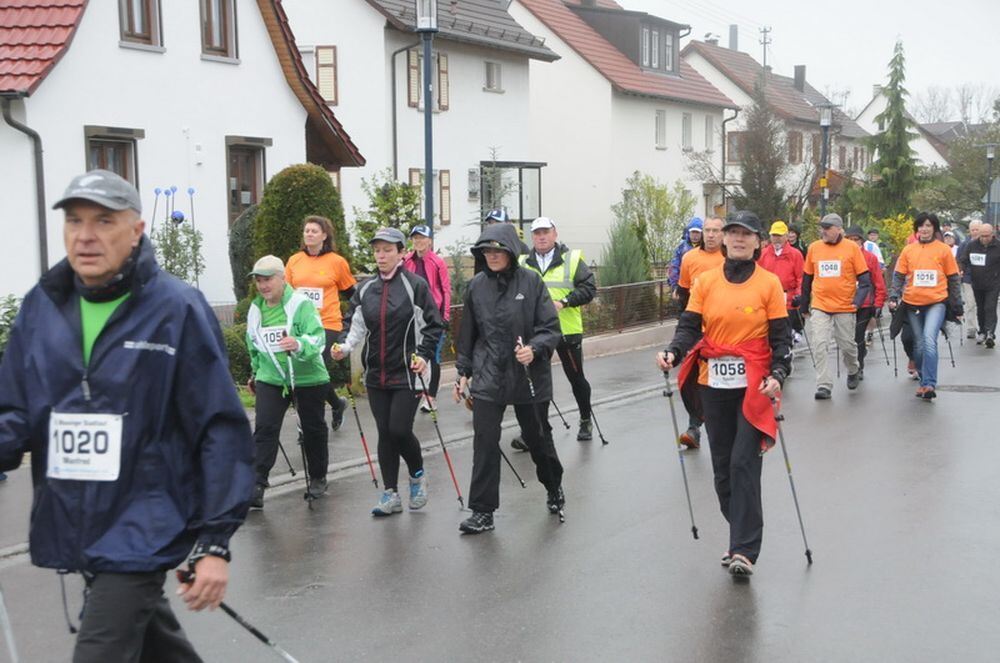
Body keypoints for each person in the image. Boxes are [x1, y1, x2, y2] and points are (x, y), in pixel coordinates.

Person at [0, 170, 253, 661]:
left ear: (136, 230)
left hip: (145, 520)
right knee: (159, 647)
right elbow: (15, 410)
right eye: (74, 221)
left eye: (103, 221)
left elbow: (219, 427)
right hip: (76, 519)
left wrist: (215, 541)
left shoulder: (176, 308)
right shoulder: (42, 307)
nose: (85, 235)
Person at [656, 210, 790, 577]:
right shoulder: (706, 282)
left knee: (743, 463)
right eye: (733, 233)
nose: (738, 239)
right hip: (712, 381)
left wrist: (779, 372)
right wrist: (674, 351)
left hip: (754, 383)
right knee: (722, 470)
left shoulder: (768, 285)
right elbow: (688, 327)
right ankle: (739, 536)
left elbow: (780, 338)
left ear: (757, 241)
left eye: (746, 234)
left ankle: (745, 549)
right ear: (725, 240)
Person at [454, 223, 564, 534]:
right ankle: (482, 511)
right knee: (485, 441)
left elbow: (550, 328)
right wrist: (463, 372)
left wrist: (535, 348)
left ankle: (554, 486)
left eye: (497, 250)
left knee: (538, 438)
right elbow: (468, 336)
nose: (491, 255)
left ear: (510, 252)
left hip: (528, 373)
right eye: (486, 250)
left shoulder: (531, 282)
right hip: (489, 374)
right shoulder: (476, 287)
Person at [333, 228, 444, 516]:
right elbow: (353, 324)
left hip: (408, 372)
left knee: (399, 429)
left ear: (400, 253)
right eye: (377, 251)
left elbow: (433, 325)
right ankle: (390, 493)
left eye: (387, 250)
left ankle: (417, 475)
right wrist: (343, 348)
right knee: (384, 433)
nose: (381, 256)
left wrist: (423, 355)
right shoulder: (366, 288)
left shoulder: (415, 285)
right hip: (376, 373)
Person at [246, 255, 331, 507]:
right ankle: (257, 484)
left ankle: (318, 477)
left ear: (282, 278)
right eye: (259, 281)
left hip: (307, 378)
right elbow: (254, 346)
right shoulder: (255, 309)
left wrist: (298, 343)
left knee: (312, 429)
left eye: (268, 279)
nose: (263, 286)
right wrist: (254, 372)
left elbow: (318, 338)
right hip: (271, 378)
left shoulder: (299, 303)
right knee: (265, 428)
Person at [518, 217, 598, 441]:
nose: (541, 237)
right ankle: (535, 430)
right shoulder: (523, 262)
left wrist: (564, 302)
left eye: (545, 232)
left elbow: (589, 288)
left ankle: (585, 419)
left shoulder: (571, 259)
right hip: (537, 333)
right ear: (532, 237)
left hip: (567, 330)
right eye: (537, 233)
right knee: (535, 381)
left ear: (555, 234)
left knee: (575, 377)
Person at [284, 216, 357, 431]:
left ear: (324, 236)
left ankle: (306, 424)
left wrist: (352, 320)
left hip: (328, 323)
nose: (309, 234)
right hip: (301, 325)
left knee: (315, 366)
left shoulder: (336, 262)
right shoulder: (294, 261)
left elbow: (352, 293)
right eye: (306, 230)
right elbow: (286, 293)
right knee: (310, 371)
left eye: (314, 231)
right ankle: (336, 404)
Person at [889, 212, 963, 400]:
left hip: (936, 302)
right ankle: (923, 379)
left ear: (934, 229)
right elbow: (898, 275)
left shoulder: (943, 250)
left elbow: (953, 278)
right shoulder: (908, 250)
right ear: (917, 229)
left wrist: (956, 305)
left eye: (929, 225)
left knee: (930, 340)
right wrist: (894, 295)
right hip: (913, 303)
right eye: (921, 226)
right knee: (920, 344)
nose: (925, 229)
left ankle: (930, 384)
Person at [799, 213, 873, 399]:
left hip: (845, 306)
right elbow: (807, 279)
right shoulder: (814, 248)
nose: (823, 231)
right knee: (820, 343)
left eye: (827, 228)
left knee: (847, 345)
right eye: (822, 228)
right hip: (820, 305)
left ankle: (853, 368)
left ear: (839, 229)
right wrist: (804, 305)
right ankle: (824, 384)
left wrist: (856, 302)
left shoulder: (851, 248)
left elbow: (865, 281)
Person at [673, 215, 725, 448]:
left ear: (724, 234)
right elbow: (683, 292)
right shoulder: (690, 258)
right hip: (696, 328)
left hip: (723, 328)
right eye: (708, 230)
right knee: (691, 378)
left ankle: (719, 424)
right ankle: (694, 427)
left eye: (716, 230)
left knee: (715, 380)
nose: (711, 235)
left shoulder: (729, 258)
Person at [403, 224, 452, 410]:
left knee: (433, 356)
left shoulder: (437, 262)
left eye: (422, 238)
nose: (418, 242)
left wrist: (445, 316)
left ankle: (431, 397)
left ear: (429, 241)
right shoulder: (407, 260)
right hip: (412, 316)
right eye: (415, 238)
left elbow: (446, 290)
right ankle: (416, 392)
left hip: (434, 316)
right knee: (415, 354)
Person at [845, 226, 887, 378]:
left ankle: (859, 367)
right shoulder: (840, 256)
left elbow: (879, 283)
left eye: (856, 239)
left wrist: (878, 303)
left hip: (865, 304)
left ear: (861, 241)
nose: (853, 242)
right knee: (846, 339)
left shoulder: (870, 258)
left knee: (858, 335)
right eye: (849, 239)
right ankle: (854, 361)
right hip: (844, 303)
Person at [758, 220, 805, 345]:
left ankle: (786, 356)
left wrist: (799, 295)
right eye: (774, 236)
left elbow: (800, 278)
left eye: (779, 236)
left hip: (788, 300)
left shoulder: (795, 254)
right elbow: (757, 276)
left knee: (784, 333)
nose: (776, 239)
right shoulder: (763, 254)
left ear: (786, 236)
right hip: (767, 299)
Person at [958, 222, 1000, 348]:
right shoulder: (972, 245)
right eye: (982, 236)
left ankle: (990, 333)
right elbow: (963, 259)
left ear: (992, 234)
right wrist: (961, 269)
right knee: (980, 309)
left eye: (987, 236)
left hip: (993, 283)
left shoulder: (998, 246)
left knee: (990, 307)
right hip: (977, 282)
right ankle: (982, 331)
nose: (984, 239)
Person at [957, 220, 983, 339]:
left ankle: (983, 327)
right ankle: (971, 328)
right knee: (970, 304)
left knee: (982, 304)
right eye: (973, 230)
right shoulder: (964, 244)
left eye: (977, 229)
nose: (975, 232)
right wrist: (960, 270)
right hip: (968, 278)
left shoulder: (987, 243)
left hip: (984, 279)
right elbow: (959, 259)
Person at [668, 218, 704, 298]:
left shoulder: (707, 247)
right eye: (693, 232)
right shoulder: (681, 247)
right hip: (684, 288)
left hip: (702, 288)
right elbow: (674, 267)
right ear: (688, 232)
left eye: (697, 232)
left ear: (702, 234)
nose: (695, 235)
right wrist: (675, 286)